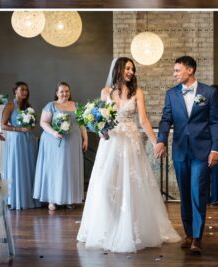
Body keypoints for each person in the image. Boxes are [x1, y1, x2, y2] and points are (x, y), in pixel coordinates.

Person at [77, 56, 180, 253]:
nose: (131, 72)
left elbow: (144, 120)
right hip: (110, 143)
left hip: (131, 142)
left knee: (132, 185)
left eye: (132, 69)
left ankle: (131, 229)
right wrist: (102, 132)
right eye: (127, 68)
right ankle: (109, 226)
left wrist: (157, 142)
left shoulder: (137, 92)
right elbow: (100, 121)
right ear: (118, 69)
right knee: (106, 185)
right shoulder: (105, 92)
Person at [154, 55, 218, 257]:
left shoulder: (209, 93)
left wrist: (215, 149)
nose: (174, 74)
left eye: (177, 70)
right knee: (184, 193)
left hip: (202, 151)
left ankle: (198, 237)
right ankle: (189, 234)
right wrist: (161, 140)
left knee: (197, 191)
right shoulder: (171, 94)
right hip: (181, 151)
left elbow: (215, 122)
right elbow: (166, 119)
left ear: (189, 70)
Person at [33, 81, 87, 211]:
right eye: (61, 91)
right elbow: (43, 122)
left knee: (70, 169)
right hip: (54, 142)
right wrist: (54, 132)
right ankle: (53, 199)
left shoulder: (76, 105)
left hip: (73, 141)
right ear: (56, 93)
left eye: (67, 91)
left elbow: (81, 123)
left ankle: (70, 198)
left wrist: (85, 138)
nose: (64, 94)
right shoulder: (51, 105)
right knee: (55, 169)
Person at [2, 82, 38, 210]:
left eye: (26, 90)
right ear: (15, 91)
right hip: (16, 140)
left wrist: (30, 126)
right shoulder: (10, 105)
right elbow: (3, 125)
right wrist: (19, 130)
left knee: (29, 167)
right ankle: (16, 198)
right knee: (18, 167)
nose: (24, 92)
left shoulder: (28, 106)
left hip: (28, 140)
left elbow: (33, 125)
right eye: (22, 89)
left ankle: (29, 197)